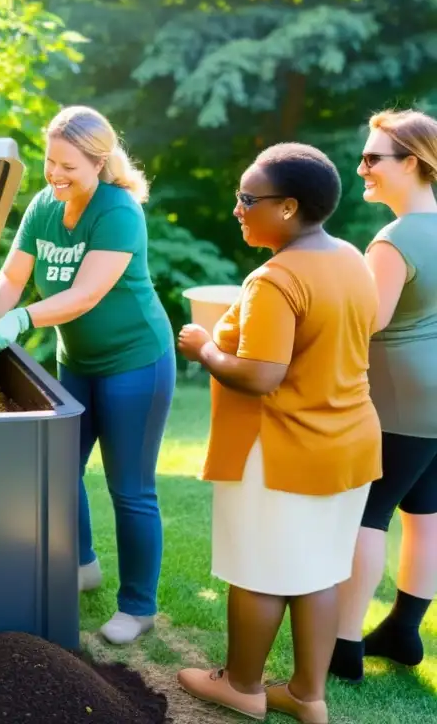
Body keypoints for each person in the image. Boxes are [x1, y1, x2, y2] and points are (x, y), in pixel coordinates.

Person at [174, 143, 382, 723]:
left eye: (248, 199)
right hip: (350, 442)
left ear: (288, 207)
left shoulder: (276, 278)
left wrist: (205, 348)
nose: (238, 208)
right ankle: (307, 695)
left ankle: (241, 685)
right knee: (318, 570)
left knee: (260, 571)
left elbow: (262, 375)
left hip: (283, 445)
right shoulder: (351, 259)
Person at [0, 105, 176, 645]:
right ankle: (84, 564)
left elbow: (86, 294)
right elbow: (11, 274)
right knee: (59, 467)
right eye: (50, 161)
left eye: (68, 165)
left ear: (98, 162)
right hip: (79, 361)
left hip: (135, 361)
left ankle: (137, 607)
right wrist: (0, 311)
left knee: (131, 489)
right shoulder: (46, 206)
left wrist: (25, 318)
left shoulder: (118, 212)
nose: (55, 174)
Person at [331, 109, 437, 683]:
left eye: (374, 158)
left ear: (414, 164)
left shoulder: (393, 239)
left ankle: (343, 645)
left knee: (367, 514)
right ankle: (403, 630)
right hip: (434, 398)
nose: (362, 167)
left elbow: (368, 322)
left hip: (402, 394)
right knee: (427, 513)